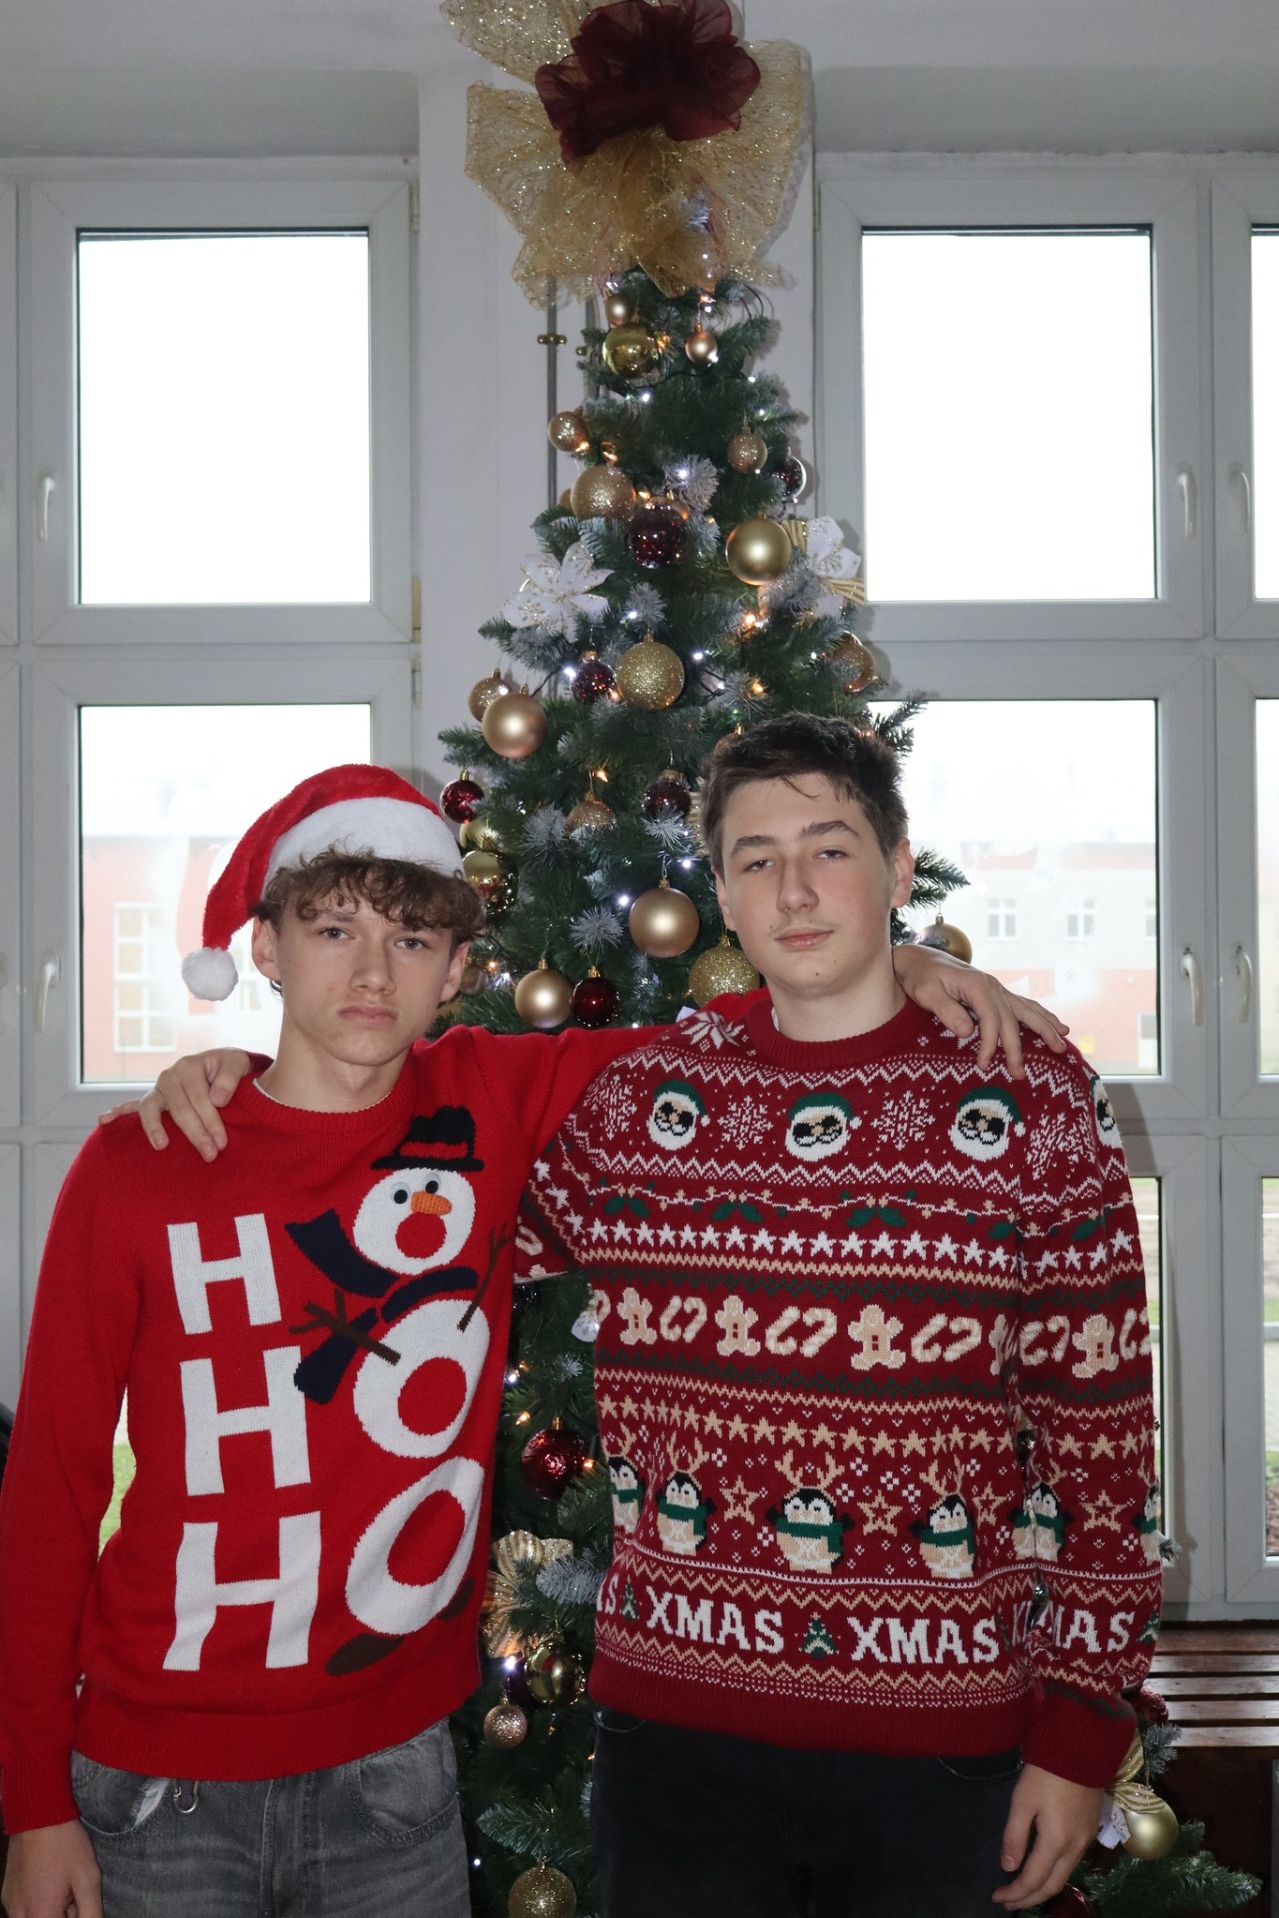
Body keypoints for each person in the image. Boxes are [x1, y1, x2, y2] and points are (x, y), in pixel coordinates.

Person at [0, 756, 1059, 1918]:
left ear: (457, 970)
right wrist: (32, 1802)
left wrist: (904, 963)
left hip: (393, 1775)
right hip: (157, 1781)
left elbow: (743, 1029)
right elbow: (51, 1490)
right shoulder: (142, 1166)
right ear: (266, 947)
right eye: (333, 930)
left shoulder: (487, 1098)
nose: (371, 972)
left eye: (411, 941)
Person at [513, 715, 1162, 1918]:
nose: (795, 891)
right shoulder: (641, 1103)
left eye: (830, 848)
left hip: (942, 1746)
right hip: (675, 1745)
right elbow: (442, 1233)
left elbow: (1101, 1432)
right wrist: (251, 1078)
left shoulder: (1028, 1097)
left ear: (899, 867)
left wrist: (1083, 1726)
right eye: (756, 859)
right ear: (720, 893)